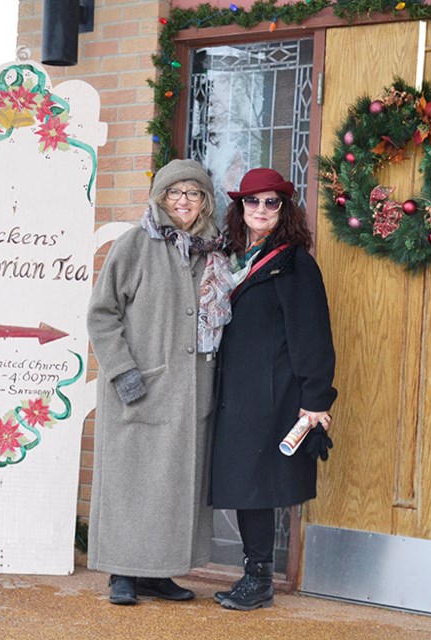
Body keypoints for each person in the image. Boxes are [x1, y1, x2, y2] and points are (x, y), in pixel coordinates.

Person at [86, 159, 233, 606]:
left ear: (205, 202)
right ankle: (122, 574)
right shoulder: (136, 244)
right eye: (175, 194)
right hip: (141, 387)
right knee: (131, 483)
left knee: (173, 486)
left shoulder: (215, 252)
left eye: (193, 194)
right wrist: (123, 371)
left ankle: (159, 572)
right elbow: (102, 313)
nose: (183, 202)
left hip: (191, 391)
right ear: (161, 199)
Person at [209, 168, 337, 611]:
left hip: (272, 393)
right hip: (235, 392)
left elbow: (313, 335)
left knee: (255, 484)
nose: (260, 209)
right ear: (239, 208)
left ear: (284, 210)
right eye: (251, 201)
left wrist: (316, 399)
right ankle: (255, 573)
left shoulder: (294, 263)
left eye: (271, 202)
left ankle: (258, 578)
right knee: (245, 481)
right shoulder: (230, 258)